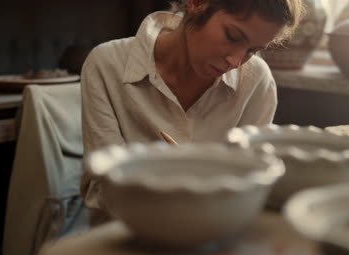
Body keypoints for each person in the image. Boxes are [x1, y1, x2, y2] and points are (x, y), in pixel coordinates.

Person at [80, 0, 304, 226]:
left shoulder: (255, 80)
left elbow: (251, 187)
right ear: (197, 3)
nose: (236, 62)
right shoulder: (107, 64)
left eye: (253, 50)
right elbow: (102, 188)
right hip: (123, 241)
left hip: (215, 241)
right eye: (233, 37)